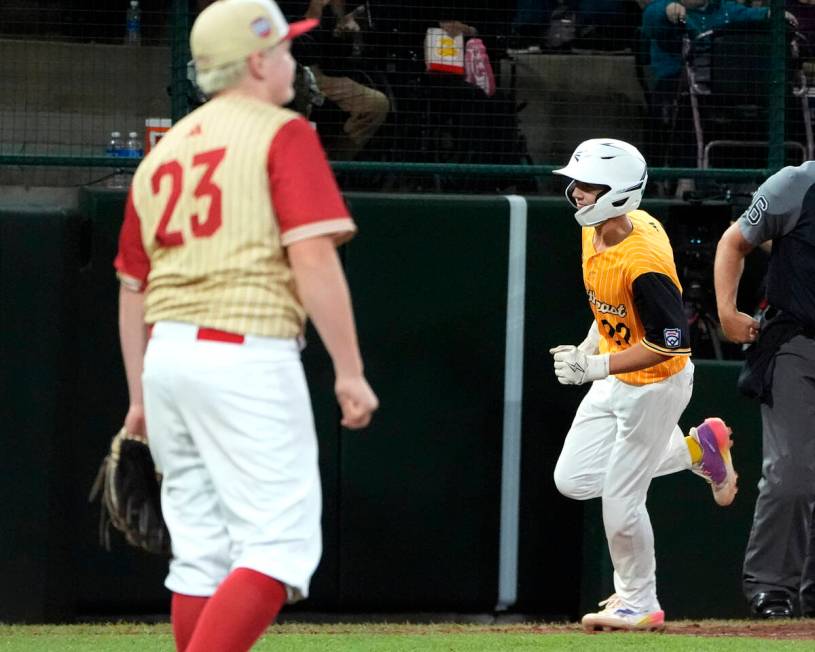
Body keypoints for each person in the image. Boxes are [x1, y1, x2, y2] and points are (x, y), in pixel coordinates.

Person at [113, 1, 379, 650]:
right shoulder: (281, 132)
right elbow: (311, 254)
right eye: (285, 48)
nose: (293, 59)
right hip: (244, 354)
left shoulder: (163, 151)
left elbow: (131, 288)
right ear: (257, 60)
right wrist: (348, 370)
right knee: (279, 548)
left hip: (168, 359)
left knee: (200, 552)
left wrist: (139, 400)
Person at [549, 138, 738, 631]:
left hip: (656, 385)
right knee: (573, 480)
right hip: (617, 374)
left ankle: (639, 601)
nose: (576, 194)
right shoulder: (595, 232)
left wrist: (593, 368)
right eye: (578, 186)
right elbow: (609, 307)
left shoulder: (645, 261)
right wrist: (590, 348)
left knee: (620, 498)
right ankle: (698, 452)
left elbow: (669, 345)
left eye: (587, 188)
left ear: (616, 194)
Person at [714, 163, 815, 619]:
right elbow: (734, 242)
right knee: (792, 472)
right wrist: (727, 311)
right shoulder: (796, 184)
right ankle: (771, 590)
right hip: (797, 342)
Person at [281, 0, 390, 160]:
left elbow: (335, 63)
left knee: (376, 104)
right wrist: (313, 13)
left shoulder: (337, 8)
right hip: (286, 73)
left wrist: (343, 36)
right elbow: (299, 50)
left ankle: (331, 165)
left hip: (322, 75)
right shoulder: (287, 7)